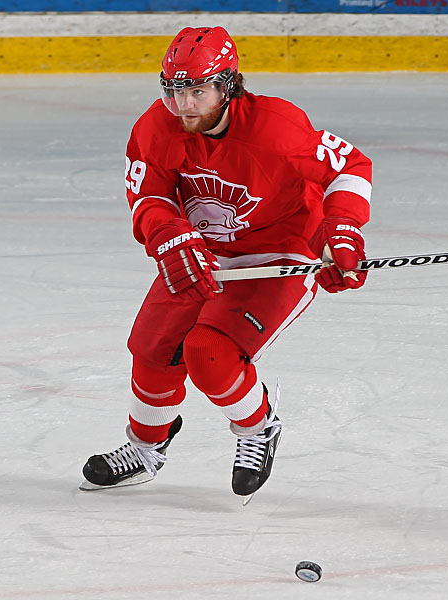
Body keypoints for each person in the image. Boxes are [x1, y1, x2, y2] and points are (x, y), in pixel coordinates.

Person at [80, 26, 372, 500]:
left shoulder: (277, 127)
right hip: (204, 253)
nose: (184, 105)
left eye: (197, 91)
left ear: (228, 86)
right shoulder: (155, 127)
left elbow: (349, 167)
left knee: (209, 353)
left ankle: (259, 427)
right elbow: (149, 195)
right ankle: (147, 448)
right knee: (152, 348)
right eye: (174, 91)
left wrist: (341, 230)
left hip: (281, 251)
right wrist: (169, 235)